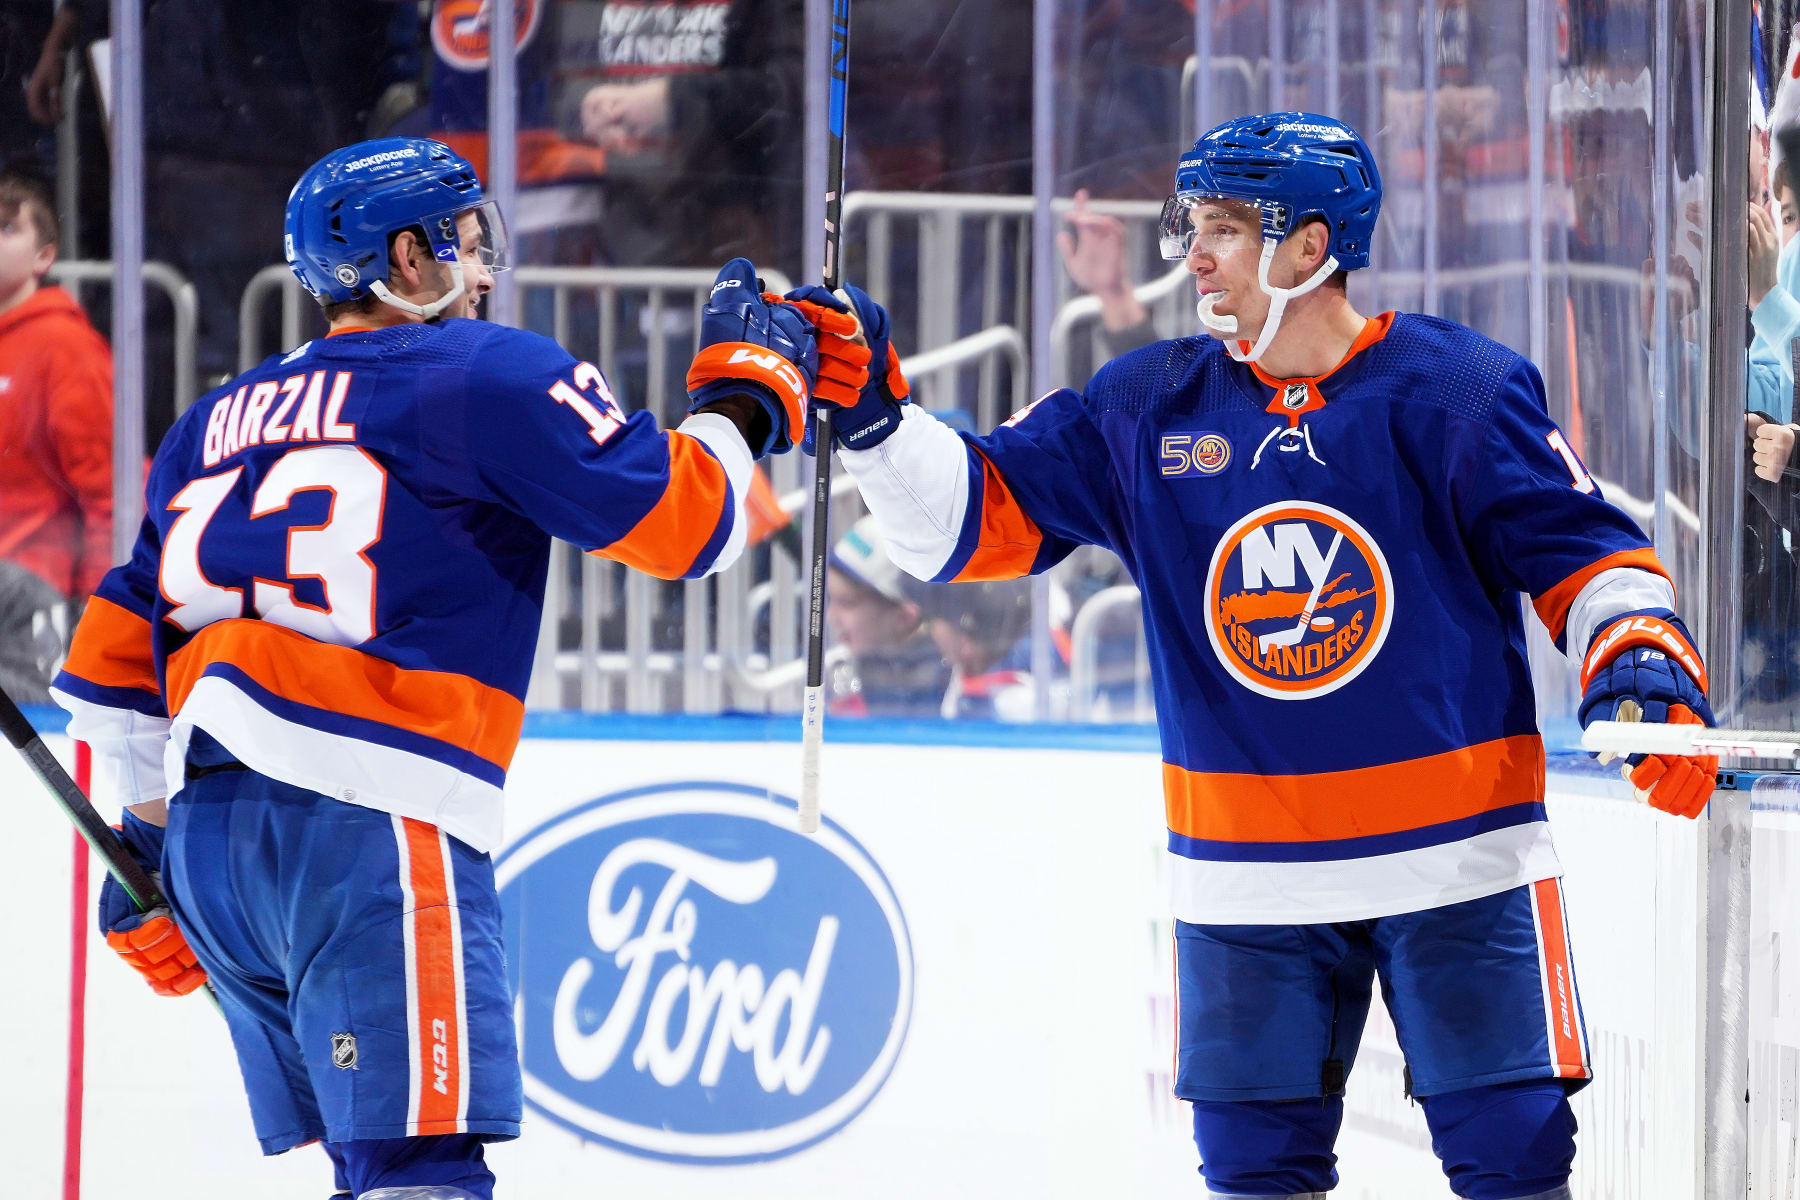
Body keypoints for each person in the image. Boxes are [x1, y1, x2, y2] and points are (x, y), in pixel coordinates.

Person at [786, 112, 1718, 1199]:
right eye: (1194, 226)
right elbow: (958, 524)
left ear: (1313, 247)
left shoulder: (1458, 390)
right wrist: (875, 419)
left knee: (1515, 1153)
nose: (1196, 255)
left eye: (1226, 228)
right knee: (1254, 1174)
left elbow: (1587, 551)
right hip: (1245, 883)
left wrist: (1638, 654)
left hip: (1459, 860)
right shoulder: (1144, 406)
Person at [48, 136, 835, 1199]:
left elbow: (117, 661)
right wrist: (747, 393)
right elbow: (687, 526)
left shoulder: (211, 423)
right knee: (420, 1169)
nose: (485, 269)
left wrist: (147, 848)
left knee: (371, 1160)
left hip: (215, 846)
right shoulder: (483, 373)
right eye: (465, 240)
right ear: (407, 258)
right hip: (367, 824)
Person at [0, 170, 112, 702]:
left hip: (31, 591)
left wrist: (100, 600)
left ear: (44, 256)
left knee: (26, 743)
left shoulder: (65, 347)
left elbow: (107, 488)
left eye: (6, 228)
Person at [825, 514, 947, 718]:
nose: (831, 617)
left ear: (905, 617)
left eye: (847, 603)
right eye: (831, 599)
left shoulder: (945, 684)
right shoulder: (845, 671)